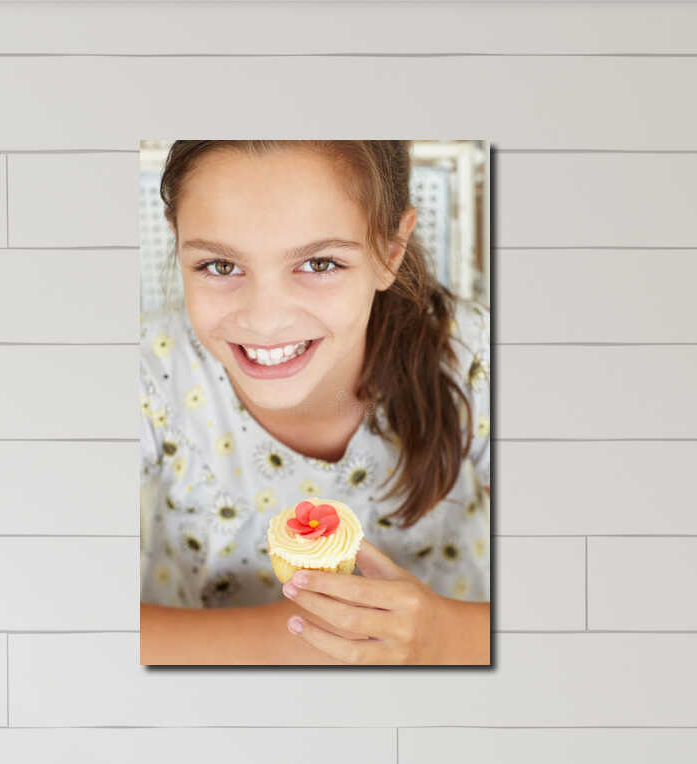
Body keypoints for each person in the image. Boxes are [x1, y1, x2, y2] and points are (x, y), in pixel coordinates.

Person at [139, 139, 491, 666]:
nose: (264, 319)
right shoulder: (150, 375)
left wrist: (443, 635)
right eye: (218, 265)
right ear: (178, 241)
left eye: (320, 263)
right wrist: (301, 637)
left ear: (389, 253)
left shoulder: (474, 361)